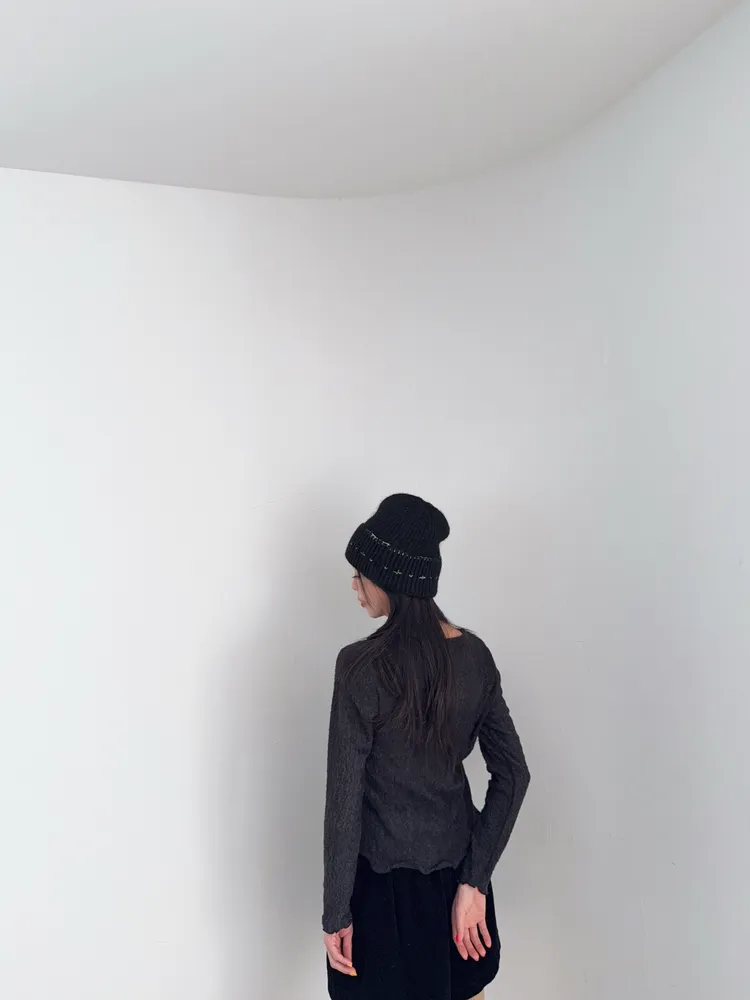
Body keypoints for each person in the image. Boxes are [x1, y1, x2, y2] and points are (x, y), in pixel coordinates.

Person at [323, 494, 530, 1000]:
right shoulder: (473, 657)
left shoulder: (359, 667)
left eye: (360, 574)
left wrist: (336, 913)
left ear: (389, 578)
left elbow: (344, 804)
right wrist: (474, 881)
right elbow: (513, 774)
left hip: (381, 894)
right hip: (457, 886)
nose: (354, 585)